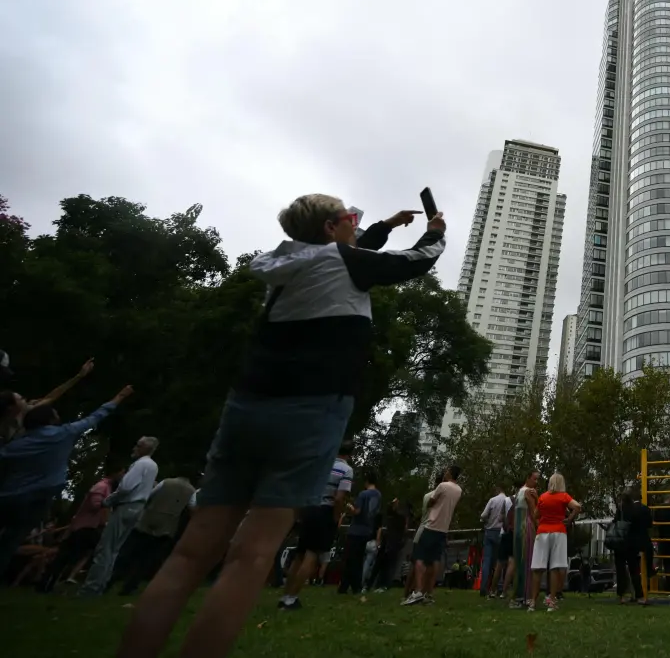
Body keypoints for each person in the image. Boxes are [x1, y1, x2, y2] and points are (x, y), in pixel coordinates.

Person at [114, 197, 443, 658]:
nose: (355, 223)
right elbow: (412, 262)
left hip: (246, 408)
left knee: (190, 553)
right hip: (309, 412)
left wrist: (385, 225)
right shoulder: (343, 261)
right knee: (251, 554)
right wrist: (434, 232)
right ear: (331, 227)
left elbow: (351, 256)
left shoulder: (289, 265)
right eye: (350, 219)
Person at [0, 386, 132, 577]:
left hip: (10, 496)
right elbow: (95, 416)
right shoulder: (65, 433)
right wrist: (119, 397)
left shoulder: (17, 444)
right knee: (10, 543)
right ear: (50, 420)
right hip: (39, 499)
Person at [80, 434, 161, 596]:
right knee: (115, 549)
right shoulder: (153, 466)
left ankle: (91, 589)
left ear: (146, 448)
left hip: (126, 506)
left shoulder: (139, 464)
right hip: (138, 508)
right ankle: (101, 585)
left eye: (138, 445)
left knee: (105, 549)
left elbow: (126, 487)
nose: (134, 448)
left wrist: (107, 501)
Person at [279, 441, 355, 608]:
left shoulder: (322, 466)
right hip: (325, 512)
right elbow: (339, 498)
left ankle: (284, 596)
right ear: (350, 454)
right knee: (312, 555)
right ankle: (292, 598)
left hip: (310, 508)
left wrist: (299, 513)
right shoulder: (346, 470)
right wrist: (336, 518)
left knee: (299, 554)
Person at [113, 476, 197, 596]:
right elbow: (192, 507)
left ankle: (113, 578)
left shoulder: (166, 482)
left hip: (148, 519)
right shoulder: (191, 491)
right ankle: (129, 587)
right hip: (167, 527)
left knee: (130, 551)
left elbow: (150, 495)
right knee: (148, 559)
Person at [38, 469, 120, 592]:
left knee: (68, 557)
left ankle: (50, 583)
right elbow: (95, 505)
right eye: (122, 473)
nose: (124, 476)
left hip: (88, 527)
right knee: (64, 557)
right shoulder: (102, 486)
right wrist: (108, 504)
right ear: (115, 472)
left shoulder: (107, 487)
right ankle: (46, 583)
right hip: (83, 528)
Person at [403, 464, 462, 606]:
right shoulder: (459, 490)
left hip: (431, 526)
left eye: (447, 470)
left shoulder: (442, 486)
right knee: (434, 560)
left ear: (450, 473)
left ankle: (417, 591)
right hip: (443, 529)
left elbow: (431, 502)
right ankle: (429, 592)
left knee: (419, 558)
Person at [0, 358, 94, 447]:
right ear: (11, 407)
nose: (25, 400)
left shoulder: (26, 411)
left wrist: (79, 376)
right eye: (21, 399)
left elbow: (51, 397)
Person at [528, 473, 581, 612]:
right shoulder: (564, 496)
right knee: (555, 567)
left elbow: (535, 515)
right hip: (559, 531)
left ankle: (533, 602)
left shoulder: (543, 497)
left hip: (542, 532)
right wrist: (569, 519)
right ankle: (551, 601)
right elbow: (577, 506)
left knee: (538, 568)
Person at [339, 471, 381, 595]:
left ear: (367, 481)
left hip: (356, 530)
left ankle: (349, 586)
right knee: (358, 559)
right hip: (368, 529)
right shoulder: (378, 495)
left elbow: (357, 511)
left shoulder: (363, 494)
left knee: (350, 559)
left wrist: (349, 507)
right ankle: (350, 586)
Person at [507, 470, 539, 609]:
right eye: (534, 479)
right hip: (527, 528)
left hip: (518, 529)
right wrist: (537, 499)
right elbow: (535, 513)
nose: (536, 482)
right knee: (528, 562)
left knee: (519, 561)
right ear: (528, 478)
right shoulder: (529, 493)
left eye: (538, 480)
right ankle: (524, 596)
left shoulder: (519, 492)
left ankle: (517, 596)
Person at [613, 491, 651, 606]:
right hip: (631, 544)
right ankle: (639, 596)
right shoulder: (636, 511)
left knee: (620, 571)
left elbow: (615, 523)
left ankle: (621, 596)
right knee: (634, 570)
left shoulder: (620, 511)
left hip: (620, 543)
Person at [371, 497, 410, 592]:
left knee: (387, 565)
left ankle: (383, 584)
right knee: (387, 565)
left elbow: (390, 511)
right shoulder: (400, 518)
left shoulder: (398, 517)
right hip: (392, 542)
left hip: (392, 542)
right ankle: (381, 584)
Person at [479, 484, 507, 599]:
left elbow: (484, 515)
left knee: (487, 560)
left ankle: (483, 587)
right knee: (500, 562)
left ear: (497, 491)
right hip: (501, 532)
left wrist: (485, 520)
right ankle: (499, 587)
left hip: (490, 531)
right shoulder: (507, 500)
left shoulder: (492, 500)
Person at [497, 478, 522, 601]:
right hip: (517, 533)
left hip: (505, 533)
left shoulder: (507, 500)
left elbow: (500, 518)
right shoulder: (523, 500)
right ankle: (506, 589)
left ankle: (493, 590)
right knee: (513, 562)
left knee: (500, 562)